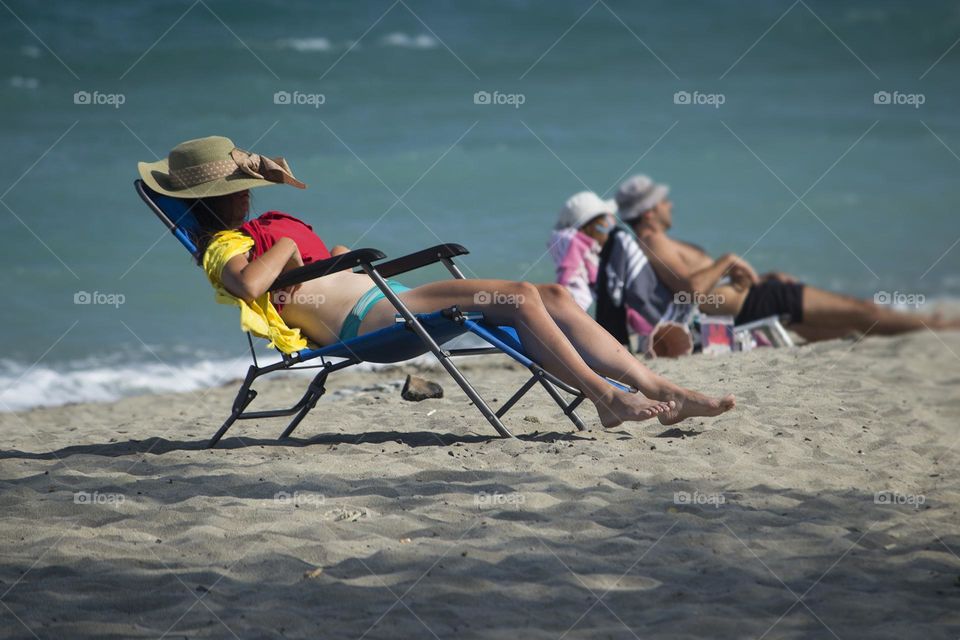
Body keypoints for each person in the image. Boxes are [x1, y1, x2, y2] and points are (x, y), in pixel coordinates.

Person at [138, 137, 736, 429]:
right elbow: (248, 287)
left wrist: (337, 257)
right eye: (238, 189)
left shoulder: (253, 229)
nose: (248, 193)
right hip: (363, 325)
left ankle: (660, 386)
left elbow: (313, 275)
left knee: (544, 297)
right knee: (519, 298)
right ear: (214, 199)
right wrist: (295, 248)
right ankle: (607, 398)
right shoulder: (224, 247)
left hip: (377, 299)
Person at [605, 174, 960, 343]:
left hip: (754, 301)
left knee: (854, 326)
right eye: (663, 201)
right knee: (860, 310)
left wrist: (760, 277)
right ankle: (939, 329)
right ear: (649, 211)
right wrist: (728, 259)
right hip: (754, 306)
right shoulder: (654, 240)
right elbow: (692, 291)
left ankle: (931, 328)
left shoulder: (655, 240)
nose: (671, 205)